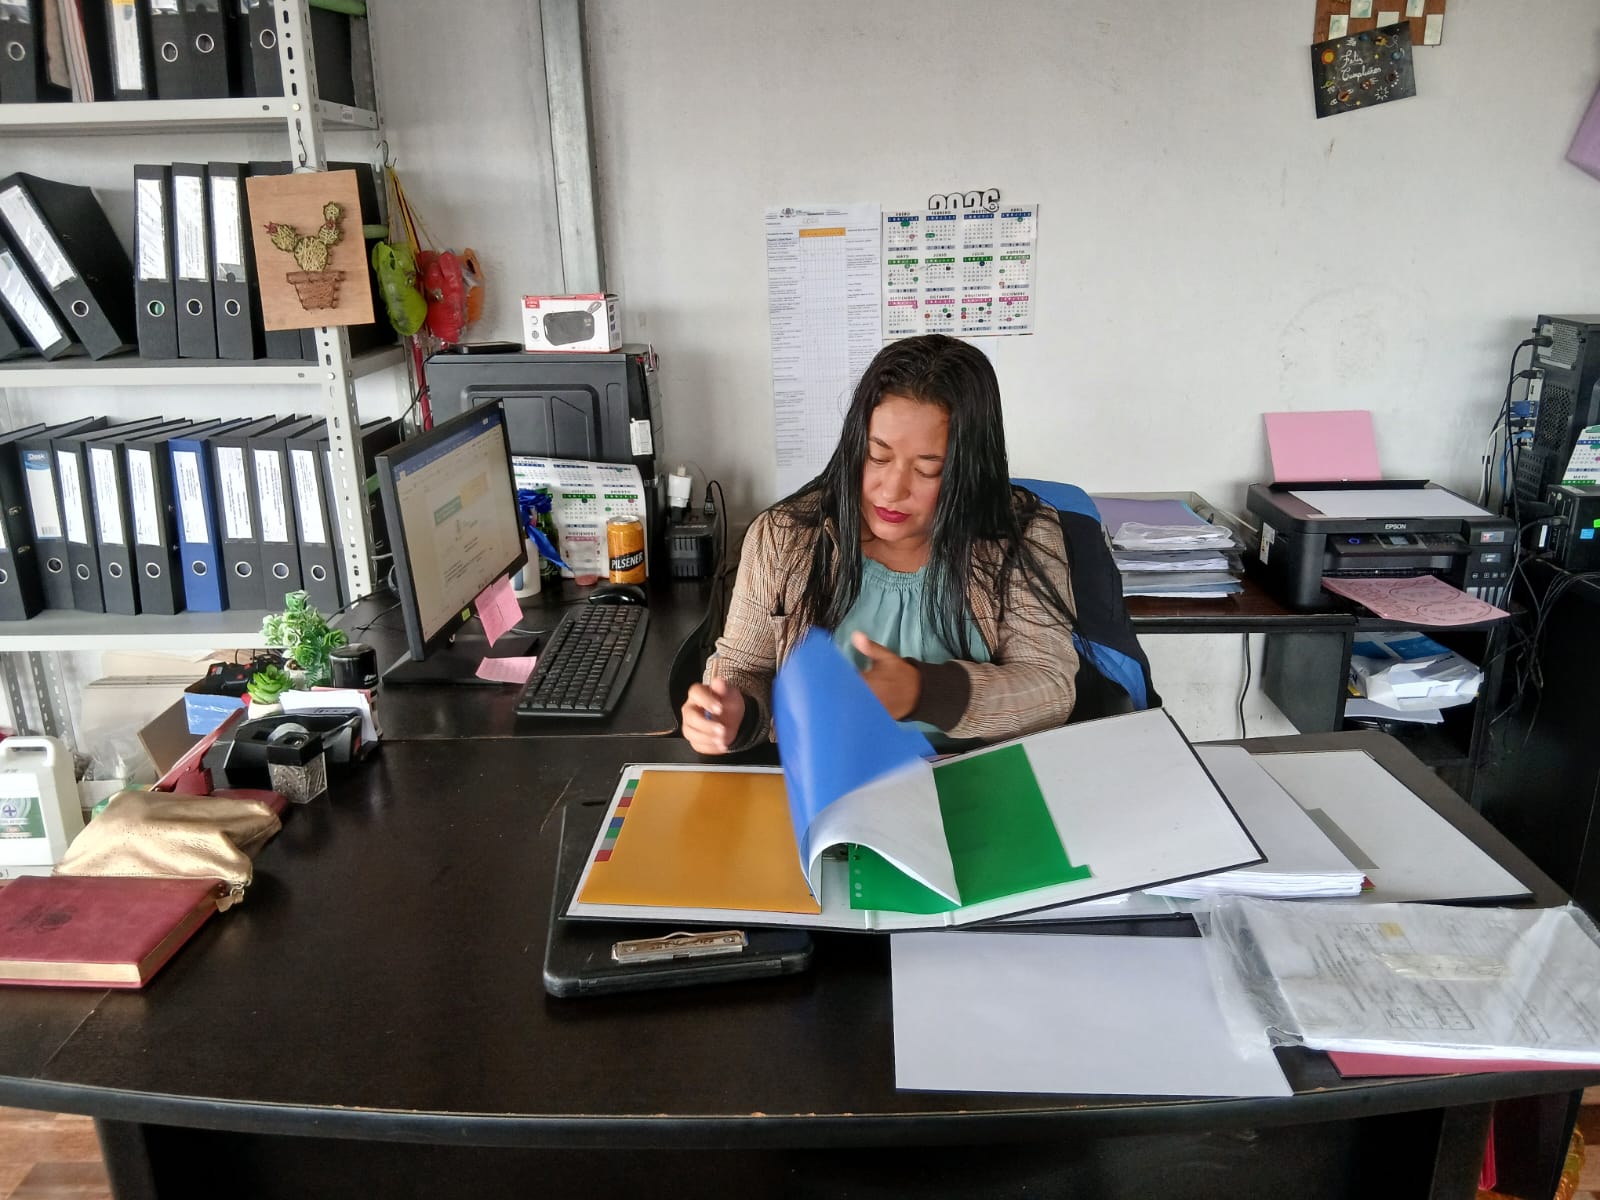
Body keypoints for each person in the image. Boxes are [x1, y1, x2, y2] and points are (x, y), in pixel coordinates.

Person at [681, 334, 1080, 755]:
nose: (891, 491)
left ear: (970, 470)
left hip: (971, 773)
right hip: (825, 775)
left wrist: (922, 691)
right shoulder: (784, 537)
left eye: (928, 469)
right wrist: (734, 715)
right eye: (878, 456)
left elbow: (1050, 690)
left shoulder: (1021, 537)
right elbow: (744, 667)